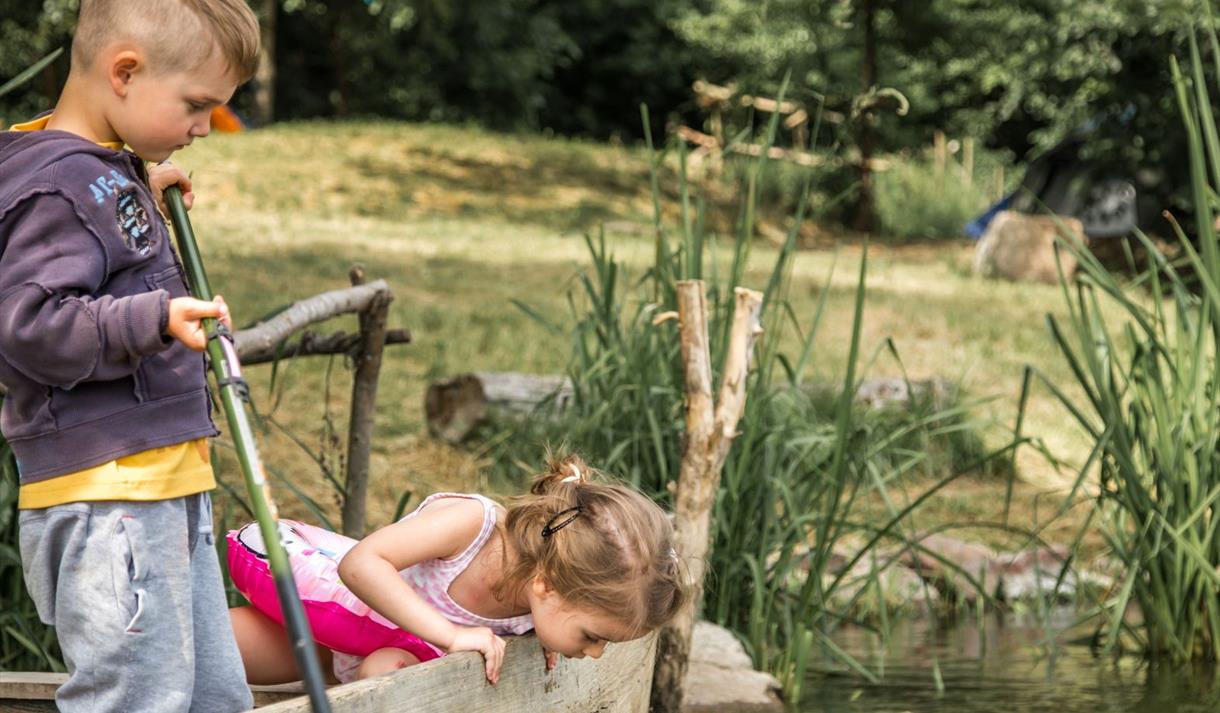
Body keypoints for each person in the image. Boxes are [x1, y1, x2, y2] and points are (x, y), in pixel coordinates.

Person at [0, 1, 261, 711]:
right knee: (138, 696)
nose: (204, 128)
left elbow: (89, 257)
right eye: (196, 105)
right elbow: (28, 326)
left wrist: (133, 191)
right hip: (109, 495)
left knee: (212, 694)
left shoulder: (91, 174)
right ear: (124, 72)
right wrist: (155, 317)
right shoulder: (56, 186)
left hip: (160, 483)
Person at [229, 454, 689, 686]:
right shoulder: (473, 527)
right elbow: (362, 564)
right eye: (593, 636)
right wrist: (451, 637)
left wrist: (540, 637)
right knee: (200, 652)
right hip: (321, 592)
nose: (594, 654)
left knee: (388, 672)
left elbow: (549, 619)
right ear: (548, 585)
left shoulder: (540, 603)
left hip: (356, 655)